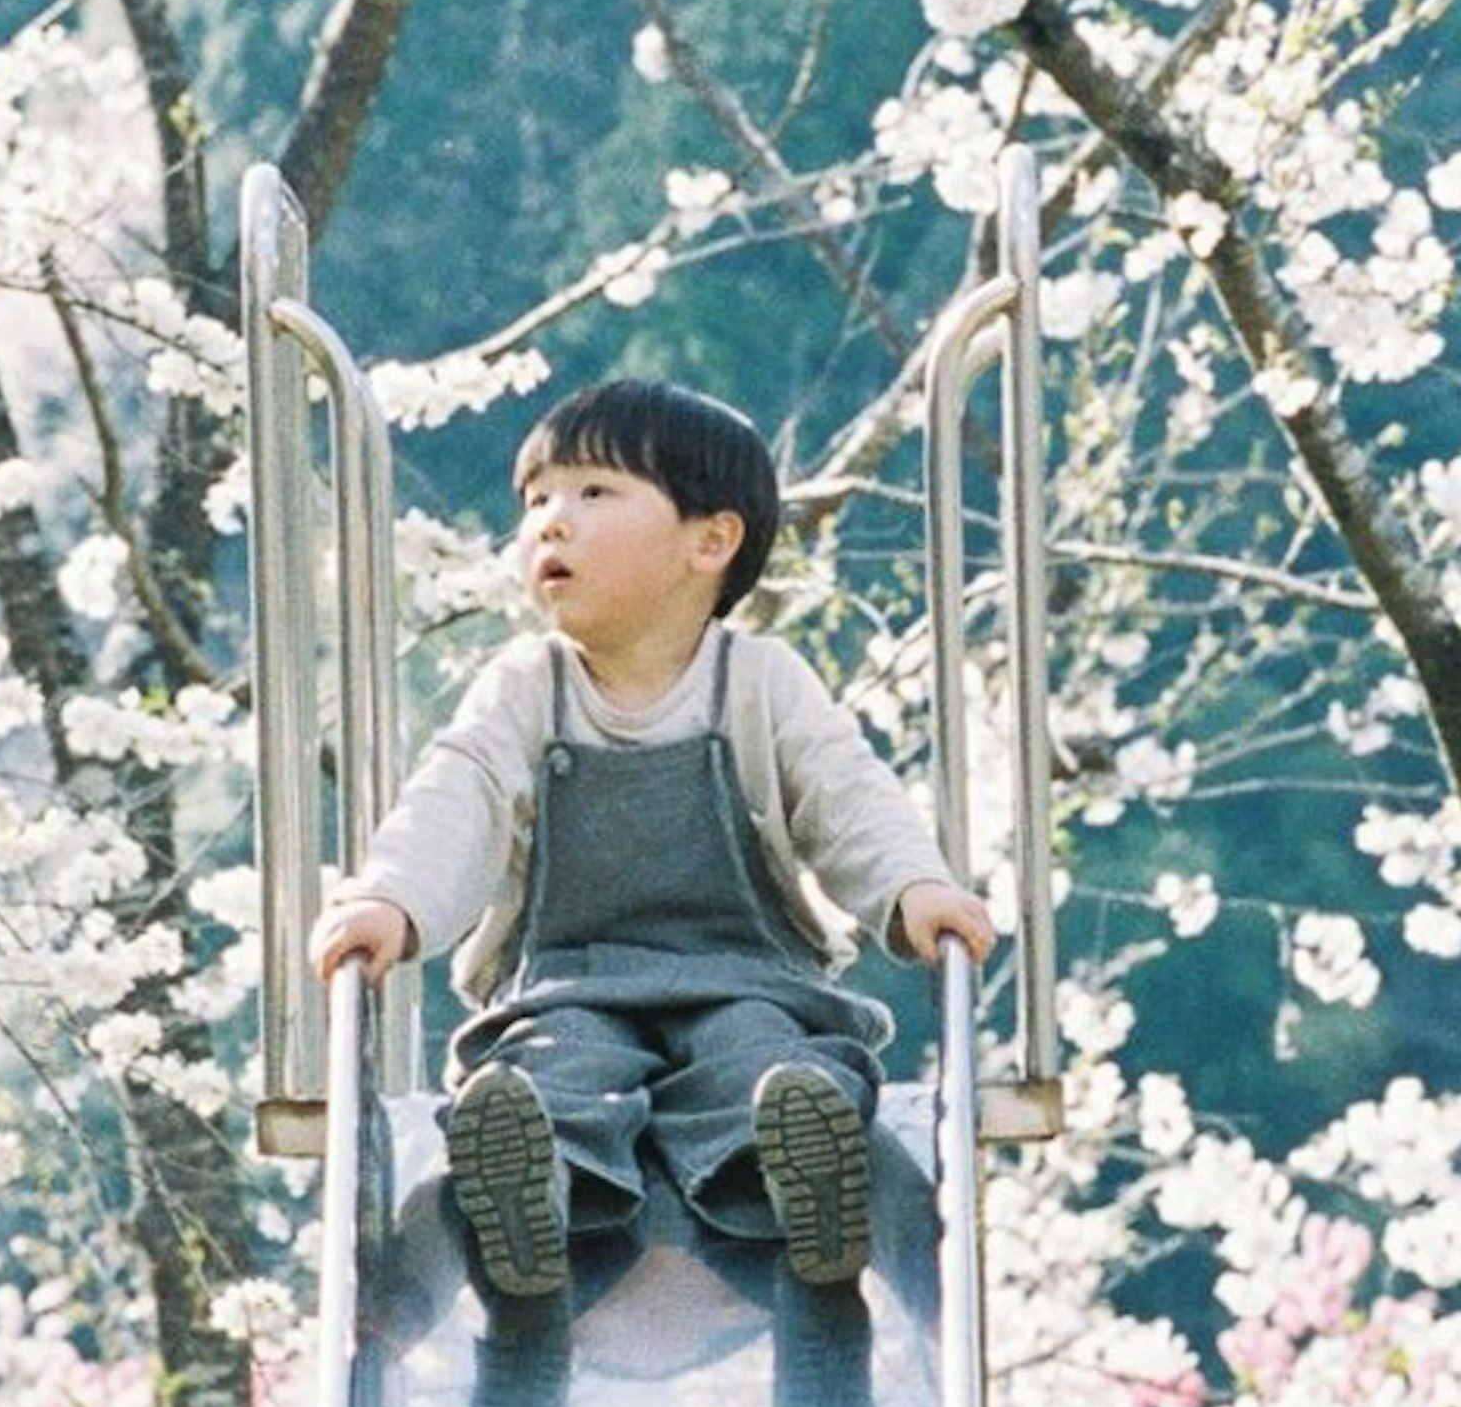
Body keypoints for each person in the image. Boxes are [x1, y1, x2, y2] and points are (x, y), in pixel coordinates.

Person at [312, 373, 993, 1303]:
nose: (551, 521)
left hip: (743, 971)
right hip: (570, 979)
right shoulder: (526, 686)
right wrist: (390, 899)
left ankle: (800, 1177)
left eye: (593, 493)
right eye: (537, 499)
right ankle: (529, 1184)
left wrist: (913, 888)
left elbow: (846, 792)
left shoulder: (760, 681)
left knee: (763, 1057)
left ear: (710, 540)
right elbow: (456, 792)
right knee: (556, 1069)